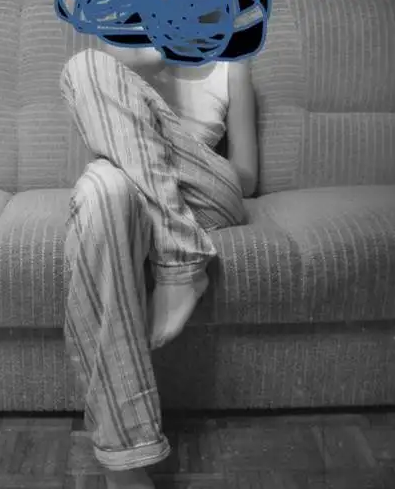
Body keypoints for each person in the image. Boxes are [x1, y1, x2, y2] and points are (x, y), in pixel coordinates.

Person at [59, 30, 258, 489]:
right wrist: (149, 56)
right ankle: (127, 464)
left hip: (205, 191)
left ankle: (179, 254)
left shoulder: (233, 62)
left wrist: (170, 148)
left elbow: (245, 179)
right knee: (102, 190)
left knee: (104, 177)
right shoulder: (121, 47)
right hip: (127, 190)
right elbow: (107, 137)